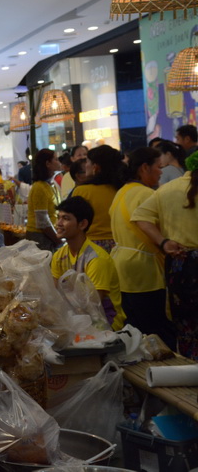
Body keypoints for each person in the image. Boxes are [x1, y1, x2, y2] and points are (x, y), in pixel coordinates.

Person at [110, 147, 176, 349]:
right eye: (158, 166)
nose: (161, 171)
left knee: (135, 331)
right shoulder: (146, 194)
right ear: (144, 168)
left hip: (122, 268)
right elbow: (158, 230)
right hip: (144, 270)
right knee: (156, 331)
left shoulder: (121, 192)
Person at [132, 165, 198, 358]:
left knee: (186, 328)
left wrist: (164, 241)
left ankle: (190, 372)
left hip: (182, 265)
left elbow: (140, 217)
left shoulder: (168, 189)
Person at [51, 197, 125, 331]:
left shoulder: (96, 259)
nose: (59, 223)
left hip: (106, 324)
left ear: (82, 224)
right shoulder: (59, 256)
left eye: (66, 218)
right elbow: (54, 293)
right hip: (77, 318)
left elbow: (93, 304)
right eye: (58, 217)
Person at [73, 145, 128, 252]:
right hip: (121, 245)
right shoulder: (123, 189)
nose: (85, 166)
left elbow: (74, 224)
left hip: (91, 247)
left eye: (87, 162)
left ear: (96, 167)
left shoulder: (82, 191)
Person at [26, 148, 62, 252]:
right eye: (56, 159)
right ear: (48, 164)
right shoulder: (39, 187)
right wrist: (58, 240)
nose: (59, 162)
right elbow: (42, 221)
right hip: (40, 236)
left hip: (50, 234)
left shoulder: (51, 185)